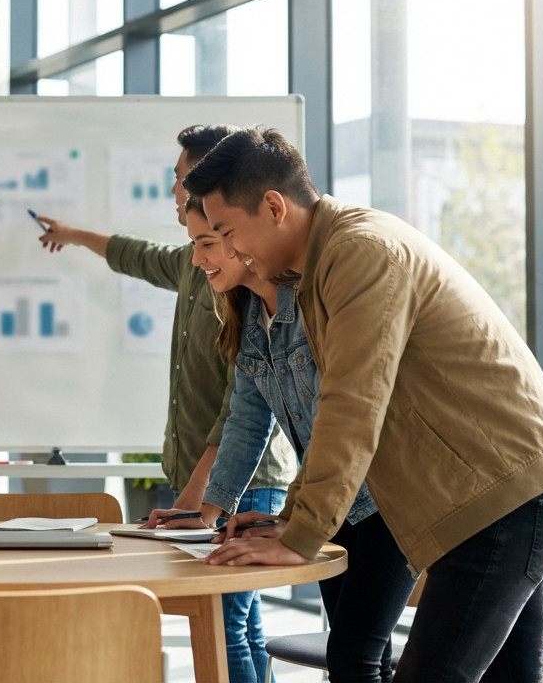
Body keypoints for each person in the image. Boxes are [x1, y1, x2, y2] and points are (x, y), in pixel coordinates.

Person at [183, 126, 543, 682]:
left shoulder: (359, 253)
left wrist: (301, 537)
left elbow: (352, 404)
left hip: (501, 499)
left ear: (273, 207)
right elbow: (332, 415)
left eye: (226, 231)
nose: (230, 252)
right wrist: (295, 519)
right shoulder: (322, 262)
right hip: (498, 492)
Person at [35, 124, 296, 682]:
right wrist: (75, 234)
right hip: (202, 484)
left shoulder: (246, 280)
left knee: (225, 621)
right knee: (239, 623)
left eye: (180, 180)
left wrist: (199, 502)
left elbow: (242, 412)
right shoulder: (192, 262)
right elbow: (135, 255)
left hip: (244, 480)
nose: (174, 193)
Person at [156, 195, 416, 682]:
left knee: (355, 656)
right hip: (329, 505)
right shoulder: (249, 318)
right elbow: (246, 419)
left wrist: (299, 524)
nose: (198, 259)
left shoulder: (314, 301)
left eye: (209, 241)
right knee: (355, 656)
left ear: (241, 240)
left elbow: (351, 415)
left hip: (382, 502)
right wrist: (212, 507)